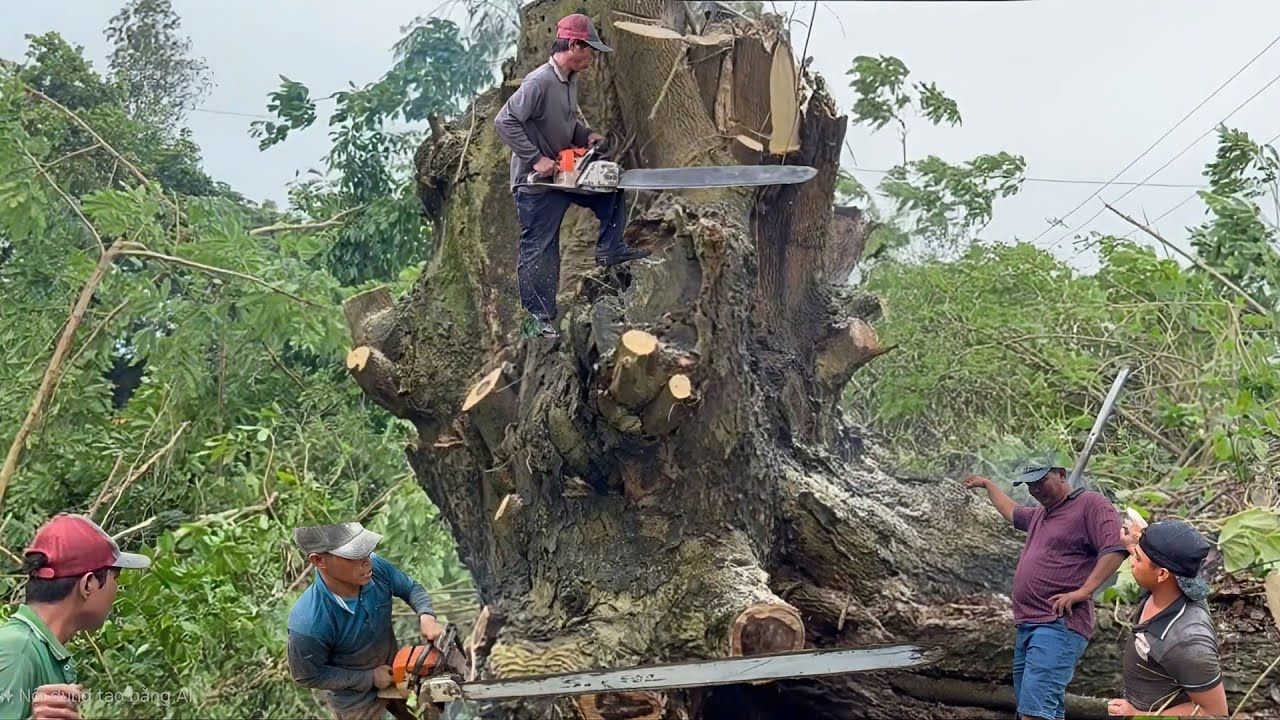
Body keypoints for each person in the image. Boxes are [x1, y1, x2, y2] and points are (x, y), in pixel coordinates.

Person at [494, 12, 650, 339]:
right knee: (541, 247)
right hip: (535, 183)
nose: (592, 56)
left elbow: (569, 121)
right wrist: (535, 159)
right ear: (574, 45)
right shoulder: (539, 82)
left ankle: (611, 247)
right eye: (589, 49)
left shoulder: (569, 81)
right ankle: (538, 320)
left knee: (611, 186)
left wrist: (586, 136)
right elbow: (504, 122)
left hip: (564, 174)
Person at [963, 460, 1128, 720]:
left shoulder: (1090, 504)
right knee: (1038, 709)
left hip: (1058, 623)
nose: (1035, 489)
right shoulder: (1041, 514)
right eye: (1030, 485)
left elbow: (1115, 547)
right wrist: (988, 485)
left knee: (1034, 712)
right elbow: (1012, 511)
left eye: (1041, 481)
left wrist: (1085, 591)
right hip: (1029, 623)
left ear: (1061, 475)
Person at [0, 513, 151, 720]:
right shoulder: (18, 651)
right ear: (88, 585)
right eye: (115, 577)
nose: (118, 589)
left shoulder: (42, 651)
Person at [286, 522, 442, 720]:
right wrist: (369, 678)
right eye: (353, 556)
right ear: (319, 560)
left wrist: (426, 616)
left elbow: (410, 589)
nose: (366, 562)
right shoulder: (308, 622)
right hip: (355, 703)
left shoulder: (375, 568)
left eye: (366, 553)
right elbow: (307, 675)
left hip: (398, 673)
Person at [1107, 518, 1228, 717]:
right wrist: (1137, 544)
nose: (1131, 561)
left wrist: (1140, 714)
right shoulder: (1177, 582)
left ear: (1162, 574)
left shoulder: (1186, 643)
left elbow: (1215, 712)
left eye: (1137, 559)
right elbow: (1161, 559)